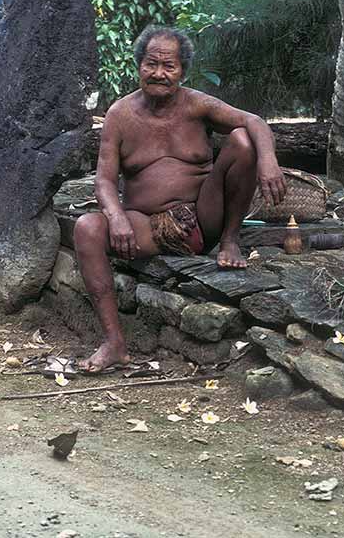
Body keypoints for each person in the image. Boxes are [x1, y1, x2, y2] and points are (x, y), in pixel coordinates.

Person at [73, 26, 287, 372]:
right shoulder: (120, 115)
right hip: (147, 225)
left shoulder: (197, 104)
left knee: (244, 140)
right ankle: (114, 343)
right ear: (139, 66)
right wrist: (116, 217)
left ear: (182, 71)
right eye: (151, 64)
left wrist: (268, 160)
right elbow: (105, 180)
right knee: (86, 227)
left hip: (205, 217)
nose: (159, 73)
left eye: (168, 66)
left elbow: (254, 121)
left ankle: (231, 241)